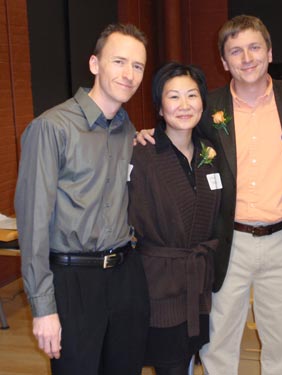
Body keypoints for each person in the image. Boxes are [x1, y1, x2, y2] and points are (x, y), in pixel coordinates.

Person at [138, 14, 282, 375]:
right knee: (217, 342)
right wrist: (144, 134)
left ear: (270, 52)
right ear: (223, 61)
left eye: (254, 48)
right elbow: (175, 125)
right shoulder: (206, 107)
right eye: (235, 51)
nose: (246, 58)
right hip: (227, 241)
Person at [14, 23, 150, 375]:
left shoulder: (126, 129)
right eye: (119, 61)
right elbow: (33, 224)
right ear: (94, 64)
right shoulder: (52, 127)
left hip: (124, 275)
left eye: (137, 66)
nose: (129, 74)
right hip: (73, 281)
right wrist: (43, 308)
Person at [128, 62, 221, 375]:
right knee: (169, 364)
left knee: (189, 360)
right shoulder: (140, 154)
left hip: (198, 285)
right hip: (160, 286)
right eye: (174, 97)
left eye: (192, 95)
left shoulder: (209, 153)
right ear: (159, 105)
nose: (184, 105)